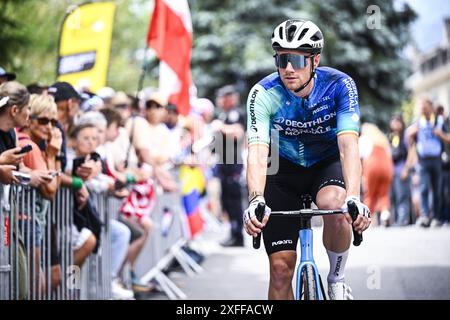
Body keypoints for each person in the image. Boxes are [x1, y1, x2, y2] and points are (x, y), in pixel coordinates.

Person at [243, 19, 371, 300]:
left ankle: (337, 279)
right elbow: (256, 151)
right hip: (280, 170)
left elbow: (349, 145)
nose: (289, 68)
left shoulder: (339, 85)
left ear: (315, 60)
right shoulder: (263, 93)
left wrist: (354, 196)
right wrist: (255, 199)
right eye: (282, 58)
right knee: (279, 269)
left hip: (324, 165)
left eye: (298, 59)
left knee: (335, 206)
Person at [213, 85, 246, 247]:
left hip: (233, 163)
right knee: (225, 200)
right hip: (224, 163)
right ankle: (233, 232)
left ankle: (238, 235)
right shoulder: (223, 115)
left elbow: (238, 133)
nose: (219, 100)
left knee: (234, 201)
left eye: (222, 97)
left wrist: (222, 128)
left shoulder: (235, 113)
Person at [359, 123, 393, 227]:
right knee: (384, 194)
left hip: (372, 167)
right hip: (387, 167)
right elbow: (390, 155)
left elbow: (360, 156)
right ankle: (385, 215)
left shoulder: (364, 139)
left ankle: (366, 219)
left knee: (370, 194)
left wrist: (361, 174)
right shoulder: (383, 140)